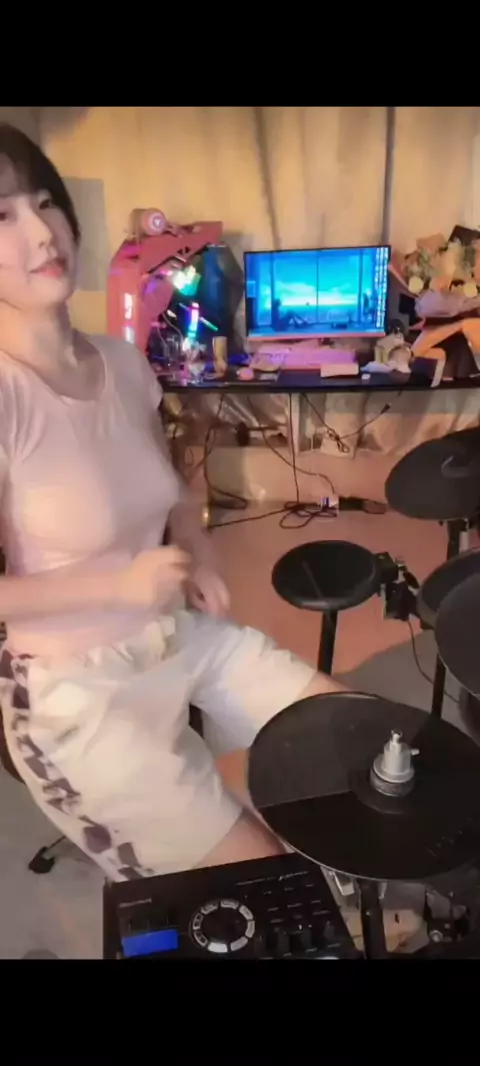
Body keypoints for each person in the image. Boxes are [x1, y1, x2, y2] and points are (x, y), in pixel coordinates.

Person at [0, 125, 341, 882]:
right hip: (77, 697)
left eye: (46, 202)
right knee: (263, 889)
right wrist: (116, 585)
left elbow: (173, 482)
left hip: (172, 635)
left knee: (357, 741)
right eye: (2, 216)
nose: (42, 233)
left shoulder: (121, 363)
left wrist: (199, 544)